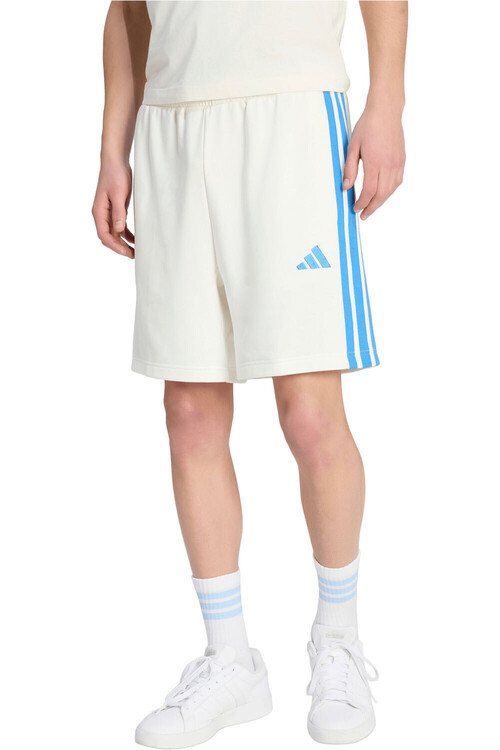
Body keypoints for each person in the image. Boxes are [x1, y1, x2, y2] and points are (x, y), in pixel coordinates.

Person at [92, 1, 407, 746]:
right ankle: (230, 659)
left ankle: (338, 641)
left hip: (290, 116)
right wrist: (112, 149)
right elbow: (127, 10)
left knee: (309, 415)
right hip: (172, 127)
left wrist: (387, 102)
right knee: (189, 414)